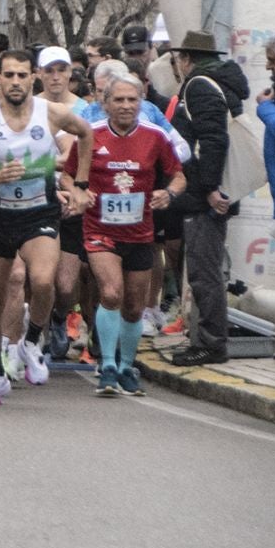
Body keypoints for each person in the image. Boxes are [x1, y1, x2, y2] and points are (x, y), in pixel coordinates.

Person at [0, 50, 93, 404]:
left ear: (32, 78)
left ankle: (31, 341)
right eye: (9, 75)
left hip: (39, 214)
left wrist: (80, 185)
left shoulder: (51, 114)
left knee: (42, 281)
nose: (16, 82)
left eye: (22, 75)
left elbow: (86, 134)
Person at [82, 73, 185, 396]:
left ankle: (127, 366)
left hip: (140, 231)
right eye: (119, 100)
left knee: (133, 306)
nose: (126, 106)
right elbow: (69, 176)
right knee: (111, 293)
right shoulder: (90, 135)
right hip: (99, 230)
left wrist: (168, 194)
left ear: (141, 103)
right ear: (105, 103)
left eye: (132, 100)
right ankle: (108, 365)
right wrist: (77, 193)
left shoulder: (155, 136)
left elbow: (179, 176)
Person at [166, 30, 250, 366]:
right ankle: (203, 338)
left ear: (186, 59)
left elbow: (213, 140)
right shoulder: (219, 83)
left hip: (205, 195)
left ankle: (211, 344)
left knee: (204, 271)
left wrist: (211, 188)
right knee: (204, 270)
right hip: (207, 191)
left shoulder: (199, 86)